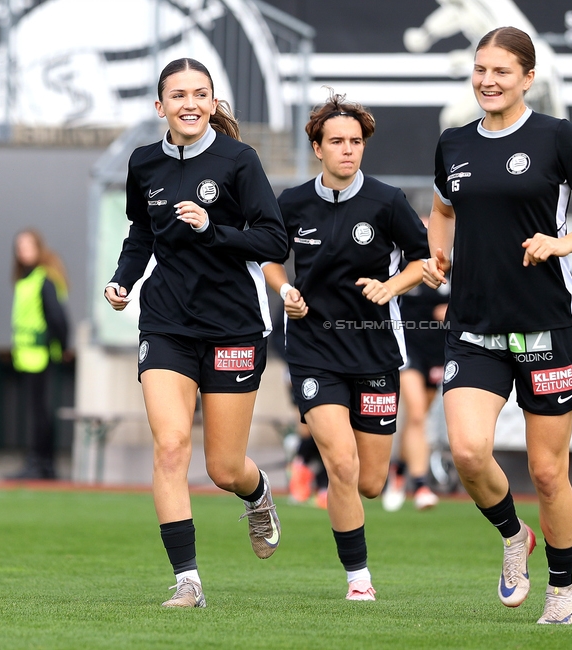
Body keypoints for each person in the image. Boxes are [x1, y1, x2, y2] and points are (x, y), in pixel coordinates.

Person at [423, 27, 572, 625]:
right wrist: (437, 257)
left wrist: (562, 244)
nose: (488, 80)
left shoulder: (556, 136)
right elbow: (441, 208)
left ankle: (561, 589)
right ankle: (515, 536)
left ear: (528, 77)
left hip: (544, 326)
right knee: (466, 450)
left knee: (546, 471)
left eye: (501, 71)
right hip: (474, 325)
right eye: (480, 69)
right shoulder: (453, 144)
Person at [104, 58, 287, 608]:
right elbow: (142, 232)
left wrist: (215, 230)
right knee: (170, 447)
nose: (189, 103)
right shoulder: (143, 162)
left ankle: (256, 495)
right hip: (165, 323)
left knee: (223, 466)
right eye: (177, 94)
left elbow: (275, 241)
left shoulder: (239, 160)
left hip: (233, 323)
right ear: (160, 106)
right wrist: (122, 280)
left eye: (200, 94)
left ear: (213, 103)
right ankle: (188, 581)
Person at [263, 92, 429, 601]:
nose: (348, 150)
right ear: (317, 147)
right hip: (314, 349)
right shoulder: (290, 203)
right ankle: (359, 580)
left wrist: (391, 286)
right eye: (336, 141)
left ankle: (352, 508)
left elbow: (424, 263)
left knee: (371, 481)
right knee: (341, 463)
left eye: (355, 142)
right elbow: (268, 258)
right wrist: (286, 290)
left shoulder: (388, 201)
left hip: (376, 351)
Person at [382, 238, 448, 513]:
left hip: (437, 351)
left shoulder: (451, 268)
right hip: (407, 347)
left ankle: (398, 469)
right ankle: (421, 485)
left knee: (416, 419)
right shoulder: (405, 266)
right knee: (418, 413)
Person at [6, 229, 70, 480]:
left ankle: (40, 463)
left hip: (40, 355)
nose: (22, 251)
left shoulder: (43, 279)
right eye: (19, 246)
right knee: (37, 412)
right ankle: (41, 463)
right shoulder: (25, 279)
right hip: (26, 355)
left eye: (27, 245)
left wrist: (62, 347)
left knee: (39, 413)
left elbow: (57, 318)